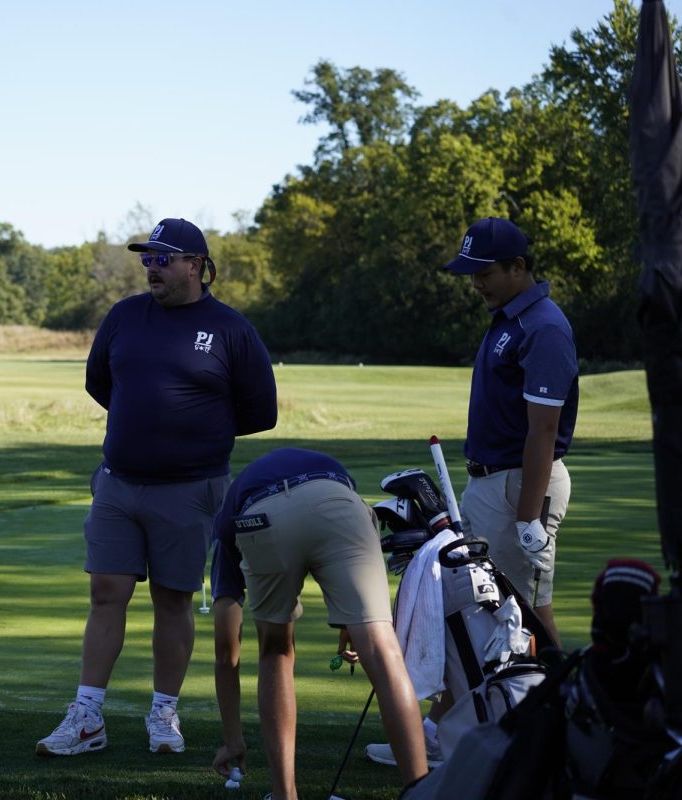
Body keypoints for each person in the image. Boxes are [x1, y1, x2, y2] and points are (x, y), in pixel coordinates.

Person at [37, 218, 277, 757]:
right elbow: (99, 383)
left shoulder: (230, 328)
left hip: (191, 489)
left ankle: (163, 713)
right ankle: (87, 716)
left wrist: (194, 428)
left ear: (197, 265)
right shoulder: (124, 316)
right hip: (119, 484)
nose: (152, 269)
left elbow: (262, 411)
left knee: (174, 601)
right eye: (147, 259)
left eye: (163, 259)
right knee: (106, 595)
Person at [366, 217, 578, 768]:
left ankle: (560, 726)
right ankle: (453, 726)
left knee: (508, 615)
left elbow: (543, 431)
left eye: (484, 272)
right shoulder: (508, 320)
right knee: (487, 608)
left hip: (519, 486)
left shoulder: (543, 326)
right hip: (496, 482)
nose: (475, 283)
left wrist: (528, 517)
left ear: (518, 267)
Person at [210, 448, 429, 800]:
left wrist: (232, 740)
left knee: (275, 651)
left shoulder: (225, 524)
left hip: (262, 516)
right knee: (383, 650)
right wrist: (351, 623)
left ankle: (285, 795)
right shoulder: (325, 468)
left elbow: (226, 651)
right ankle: (424, 792)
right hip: (340, 500)